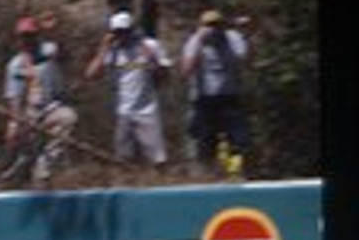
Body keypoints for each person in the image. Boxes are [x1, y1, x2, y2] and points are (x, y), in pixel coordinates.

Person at [84, 11, 172, 169]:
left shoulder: (150, 46)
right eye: (117, 32)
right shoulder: (113, 51)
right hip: (123, 111)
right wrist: (103, 48)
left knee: (158, 159)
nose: (121, 36)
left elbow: (165, 76)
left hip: (147, 110)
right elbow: (91, 74)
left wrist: (152, 59)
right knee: (122, 159)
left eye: (124, 32)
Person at [2, 15, 78, 186]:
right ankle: (20, 177)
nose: (27, 40)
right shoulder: (15, 65)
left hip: (53, 106)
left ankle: (45, 165)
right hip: (30, 112)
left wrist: (54, 32)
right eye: (23, 36)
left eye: (31, 35)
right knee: (28, 153)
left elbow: (65, 56)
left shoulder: (48, 50)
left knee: (68, 118)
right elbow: (13, 96)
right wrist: (13, 123)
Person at [181, 9, 252, 177]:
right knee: (205, 137)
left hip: (229, 95)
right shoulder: (194, 41)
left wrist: (245, 36)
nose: (213, 30)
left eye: (217, 25)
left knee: (238, 137)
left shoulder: (232, 38)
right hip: (204, 98)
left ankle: (236, 170)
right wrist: (199, 42)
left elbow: (246, 59)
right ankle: (207, 172)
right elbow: (185, 71)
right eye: (209, 26)